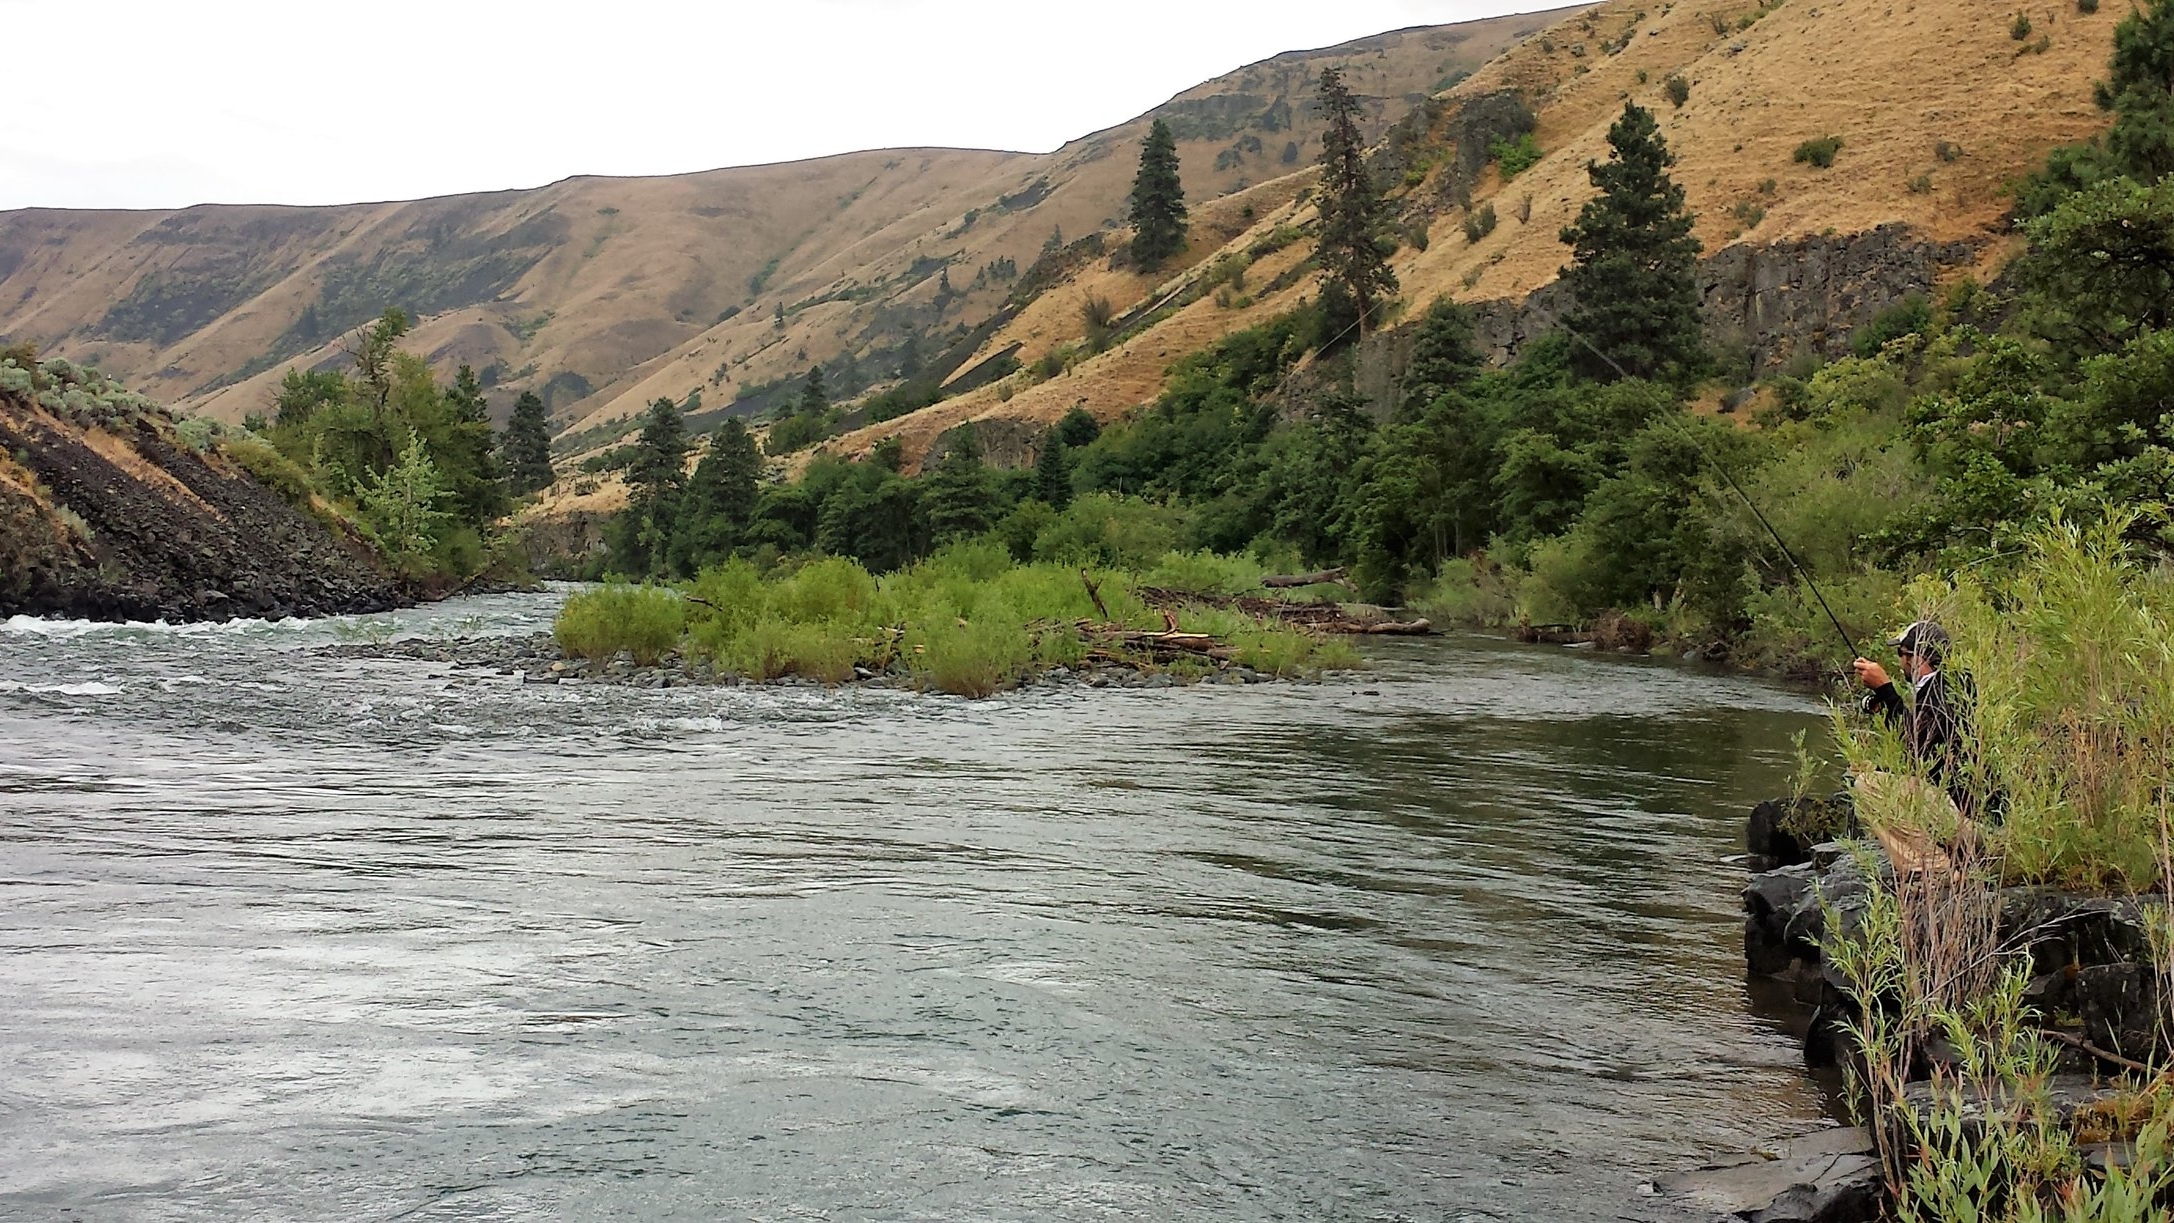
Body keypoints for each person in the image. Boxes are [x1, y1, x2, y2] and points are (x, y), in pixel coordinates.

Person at [1852, 619, 1997, 826]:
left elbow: (1917, 745)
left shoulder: (1943, 690)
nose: (1900, 662)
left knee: (1866, 785)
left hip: (1968, 817)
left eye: (1900, 654)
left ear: (1916, 658)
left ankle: (1929, 859)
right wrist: (1884, 705)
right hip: (1970, 807)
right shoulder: (1954, 684)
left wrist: (1886, 690)